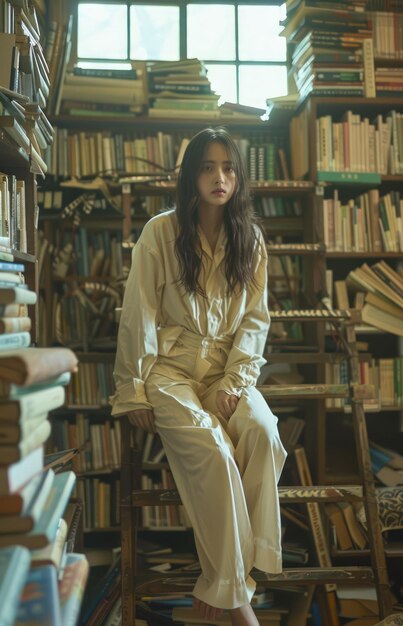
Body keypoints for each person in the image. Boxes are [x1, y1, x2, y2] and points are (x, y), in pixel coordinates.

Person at [111, 127, 287, 626]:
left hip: (227, 370)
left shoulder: (249, 239)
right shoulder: (160, 232)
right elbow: (139, 313)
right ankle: (239, 603)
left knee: (263, 433)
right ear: (192, 175)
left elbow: (255, 321)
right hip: (169, 370)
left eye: (228, 168)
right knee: (213, 451)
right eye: (208, 167)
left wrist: (234, 384)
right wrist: (133, 389)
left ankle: (224, 585)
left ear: (238, 176)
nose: (219, 177)